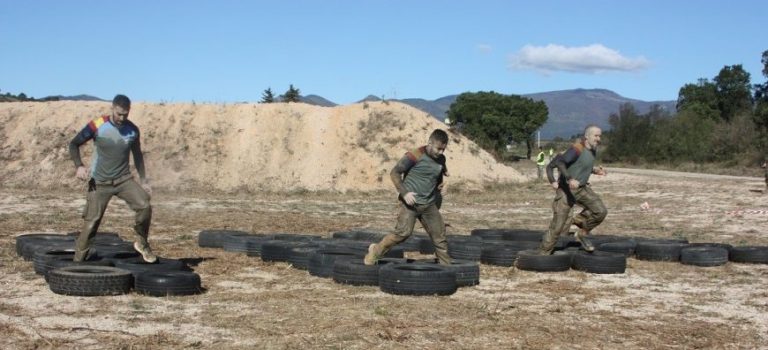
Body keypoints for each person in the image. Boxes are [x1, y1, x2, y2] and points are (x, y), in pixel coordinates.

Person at [68, 94, 157, 263]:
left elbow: (138, 156)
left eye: (125, 114)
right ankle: (78, 260)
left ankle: (142, 243)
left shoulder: (133, 130)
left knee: (144, 205)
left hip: (123, 179)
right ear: (112, 109)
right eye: (119, 114)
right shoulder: (97, 125)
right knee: (91, 222)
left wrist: (144, 180)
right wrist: (79, 165)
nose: (122, 118)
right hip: (97, 181)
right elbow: (74, 144)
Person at [364, 129, 451, 265]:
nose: (440, 152)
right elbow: (395, 173)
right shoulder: (414, 155)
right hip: (409, 203)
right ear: (429, 143)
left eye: (443, 150)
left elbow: (437, 175)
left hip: (428, 204)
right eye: (438, 148)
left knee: (439, 237)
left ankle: (447, 269)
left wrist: (440, 187)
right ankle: (375, 251)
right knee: (402, 233)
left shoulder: (441, 159)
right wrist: (404, 193)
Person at [538, 125, 608, 254]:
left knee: (601, 211)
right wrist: (569, 179)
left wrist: (595, 170)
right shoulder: (577, 148)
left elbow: (582, 165)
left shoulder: (593, 149)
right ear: (587, 136)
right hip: (566, 190)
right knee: (558, 227)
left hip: (582, 189)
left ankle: (581, 230)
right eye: (596, 135)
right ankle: (543, 254)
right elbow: (560, 163)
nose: (598, 139)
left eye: (600, 136)